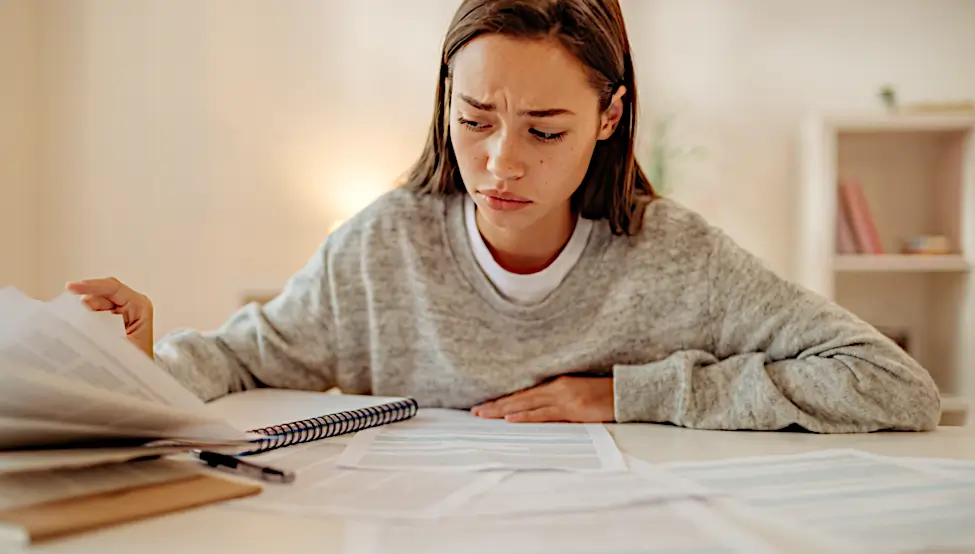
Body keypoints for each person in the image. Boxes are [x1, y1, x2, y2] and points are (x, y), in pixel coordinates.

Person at [66, 0, 940, 433]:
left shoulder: (676, 256)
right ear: (444, 101)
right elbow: (235, 357)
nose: (500, 163)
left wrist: (625, 396)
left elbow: (893, 384)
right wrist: (141, 366)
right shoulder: (382, 246)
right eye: (475, 119)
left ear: (608, 117)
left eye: (544, 129)